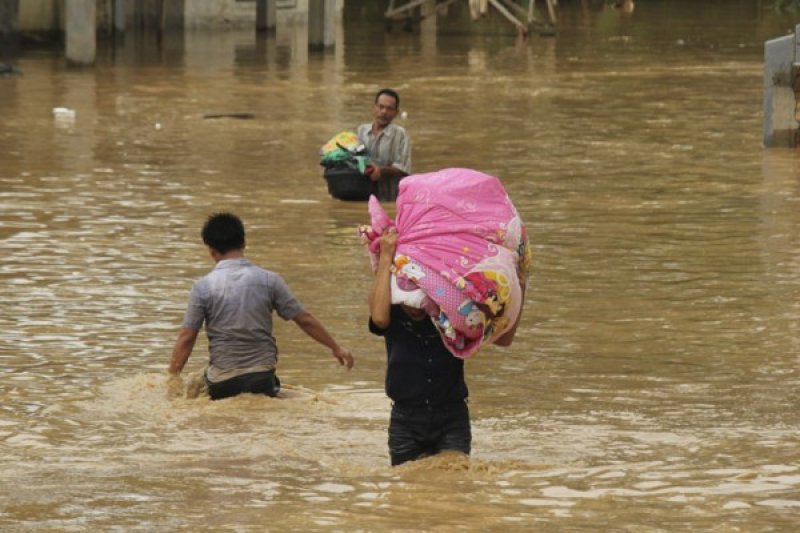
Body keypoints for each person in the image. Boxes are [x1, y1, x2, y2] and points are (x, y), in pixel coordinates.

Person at [368, 227, 525, 466]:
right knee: (406, 495)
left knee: (455, 488)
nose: (414, 306)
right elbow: (378, 318)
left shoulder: (455, 313)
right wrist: (386, 256)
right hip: (406, 420)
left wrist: (520, 288)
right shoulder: (393, 313)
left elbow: (504, 339)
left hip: (452, 418)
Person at [169, 212, 354, 400]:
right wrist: (336, 348)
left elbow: (187, 338)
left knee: (196, 388)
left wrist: (172, 379)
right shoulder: (269, 280)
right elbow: (304, 319)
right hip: (262, 379)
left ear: (210, 249)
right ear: (243, 243)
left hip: (222, 383)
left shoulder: (202, 287)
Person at [357, 88, 411, 190]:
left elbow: (403, 169)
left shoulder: (401, 135)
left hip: (390, 197)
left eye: (389, 109)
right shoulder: (361, 131)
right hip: (364, 194)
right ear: (374, 108)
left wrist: (380, 170)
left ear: (396, 113)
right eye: (381, 107)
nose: (384, 112)